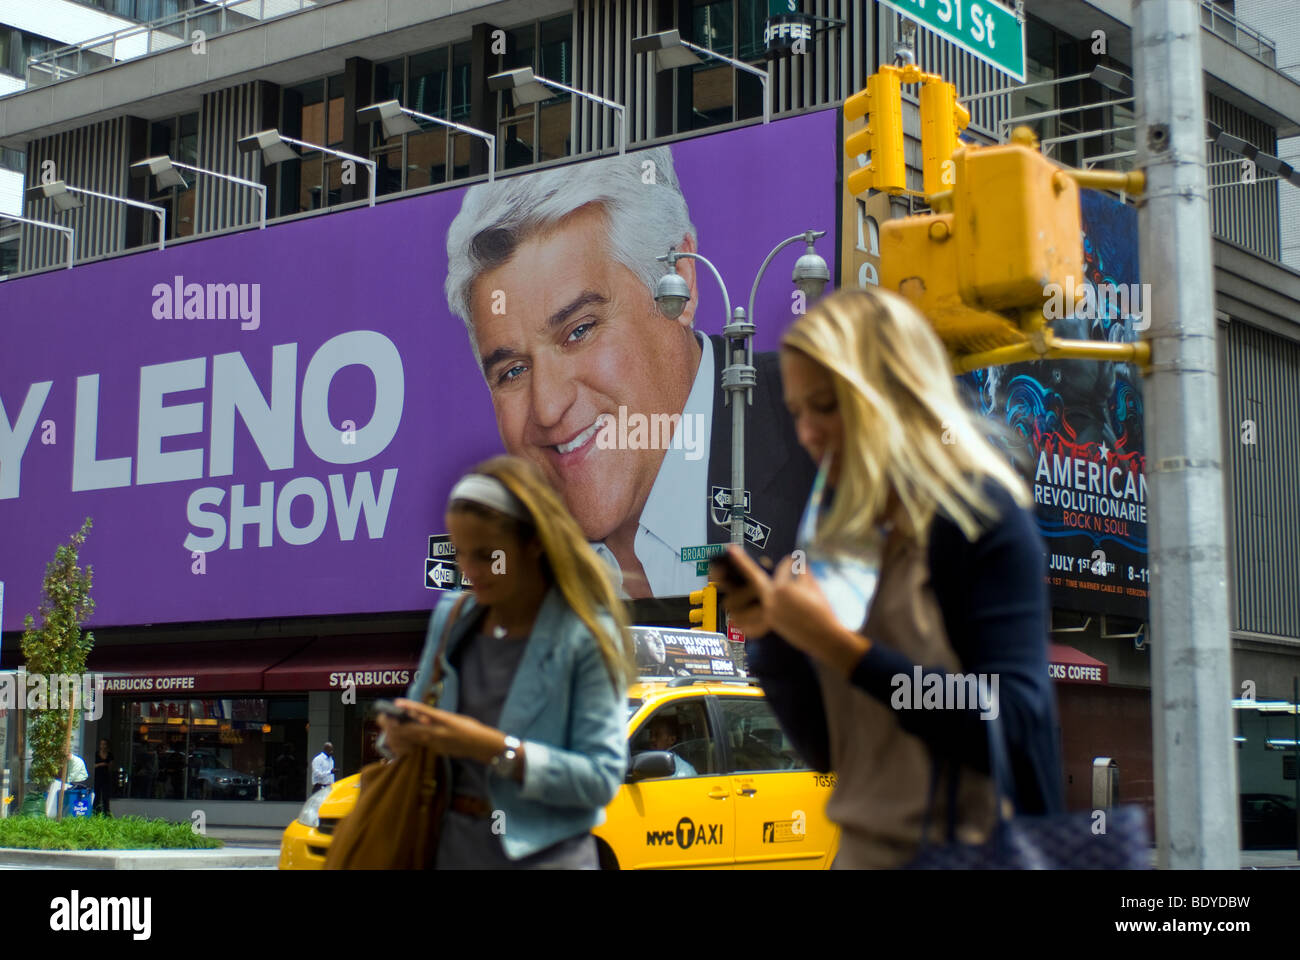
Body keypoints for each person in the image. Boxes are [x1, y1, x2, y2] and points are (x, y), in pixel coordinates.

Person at [716, 287, 1065, 869]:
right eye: (796, 411)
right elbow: (831, 750)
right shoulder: (840, 538)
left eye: (825, 405)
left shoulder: (981, 518)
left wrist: (840, 648)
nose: (806, 433)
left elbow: (1013, 721)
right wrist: (772, 635)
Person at [444, 147, 816, 598]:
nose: (547, 407)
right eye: (513, 370)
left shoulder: (828, 433)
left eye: (579, 331)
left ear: (682, 280)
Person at [377, 455, 634, 868]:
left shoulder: (585, 633)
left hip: (547, 857)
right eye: (460, 554)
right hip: (447, 848)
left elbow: (601, 778)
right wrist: (399, 735)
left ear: (533, 541)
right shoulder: (453, 618)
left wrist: (493, 748)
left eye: (486, 555)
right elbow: (414, 725)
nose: (470, 571)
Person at [92, 739, 113, 815]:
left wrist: (107, 766)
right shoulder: (96, 754)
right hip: (97, 777)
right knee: (96, 795)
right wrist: (100, 764)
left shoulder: (110, 755)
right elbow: (92, 765)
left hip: (106, 777)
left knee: (105, 796)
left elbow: (111, 766)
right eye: (101, 744)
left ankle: (106, 813)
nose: (103, 746)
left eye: (104, 744)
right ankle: (95, 812)